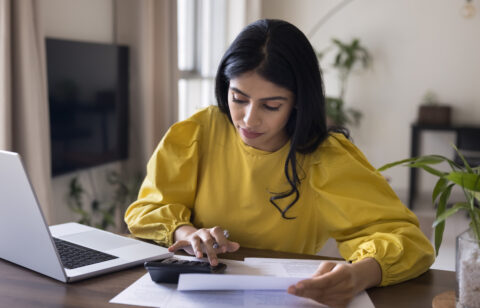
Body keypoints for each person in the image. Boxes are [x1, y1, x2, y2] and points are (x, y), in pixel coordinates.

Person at [125, 19, 434, 307]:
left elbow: (408, 241)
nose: (248, 119)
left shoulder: (326, 158)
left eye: (271, 105)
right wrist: (186, 233)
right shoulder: (197, 132)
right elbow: (146, 209)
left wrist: (358, 275)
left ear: (299, 100)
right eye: (238, 98)